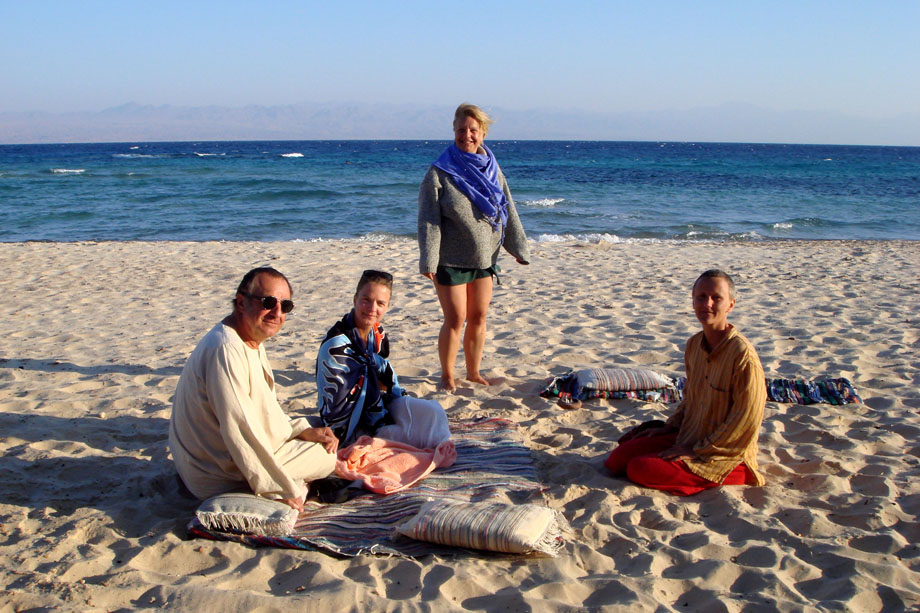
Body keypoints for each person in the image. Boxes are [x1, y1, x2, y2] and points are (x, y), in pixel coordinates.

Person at [169, 267, 338, 512]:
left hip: (215, 460)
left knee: (316, 428)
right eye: (268, 303)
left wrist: (301, 430)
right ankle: (274, 488)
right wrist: (277, 489)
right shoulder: (226, 349)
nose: (277, 313)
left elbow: (260, 411)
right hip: (216, 474)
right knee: (326, 455)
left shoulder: (248, 340)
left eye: (285, 306)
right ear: (241, 302)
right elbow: (239, 427)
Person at [605, 270, 766, 496]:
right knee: (617, 460)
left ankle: (733, 475)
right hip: (689, 435)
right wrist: (670, 426)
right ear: (693, 301)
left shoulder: (742, 355)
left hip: (724, 454)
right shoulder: (694, 345)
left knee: (639, 469)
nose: (707, 304)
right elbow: (691, 397)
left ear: (730, 304)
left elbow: (747, 418)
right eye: (701, 297)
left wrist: (699, 450)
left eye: (716, 298)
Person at [417, 103, 530, 391]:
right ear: (453, 130)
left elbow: (507, 207)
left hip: (484, 257)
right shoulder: (439, 172)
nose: (466, 135)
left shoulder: (492, 169)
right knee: (456, 319)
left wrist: (518, 247)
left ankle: (473, 372)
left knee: (479, 317)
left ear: (483, 133)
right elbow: (429, 219)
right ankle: (447, 375)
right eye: (461, 129)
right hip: (450, 259)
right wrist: (428, 259)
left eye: (473, 130)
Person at [316, 269, 450, 448]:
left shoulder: (377, 334)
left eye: (380, 303)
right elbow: (337, 410)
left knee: (434, 412)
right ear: (355, 300)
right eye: (366, 300)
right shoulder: (337, 346)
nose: (372, 309)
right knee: (415, 436)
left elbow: (382, 383)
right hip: (350, 426)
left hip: (380, 405)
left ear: (387, 306)